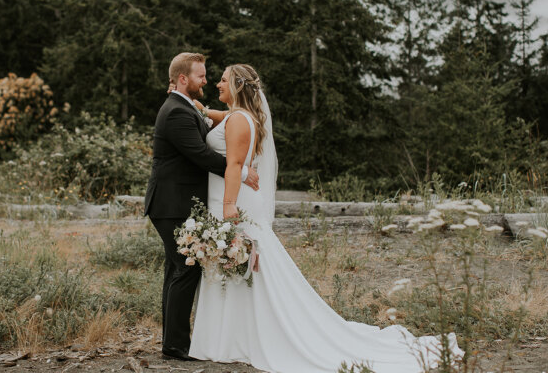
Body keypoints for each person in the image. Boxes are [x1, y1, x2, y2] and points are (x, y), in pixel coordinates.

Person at [187, 63, 463, 373]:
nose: (217, 84)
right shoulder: (241, 117)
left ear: (237, 86)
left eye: (223, 80)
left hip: (233, 201)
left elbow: (235, 165)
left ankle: (236, 338)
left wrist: (227, 206)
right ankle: (231, 338)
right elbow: (226, 119)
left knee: (243, 265)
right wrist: (204, 110)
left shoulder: (239, 120)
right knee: (239, 266)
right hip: (234, 198)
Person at [144, 52, 259, 362]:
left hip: (174, 201)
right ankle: (176, 345)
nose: (206, 80)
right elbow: (201, 155)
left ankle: (173, 341)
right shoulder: (177, 111)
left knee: (176, 268)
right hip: (171, 203)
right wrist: (242, 171)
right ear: (183, 79)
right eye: (200, 76)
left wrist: (203, 109)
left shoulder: (183, 106)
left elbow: (211, 121)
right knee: (185, 267)